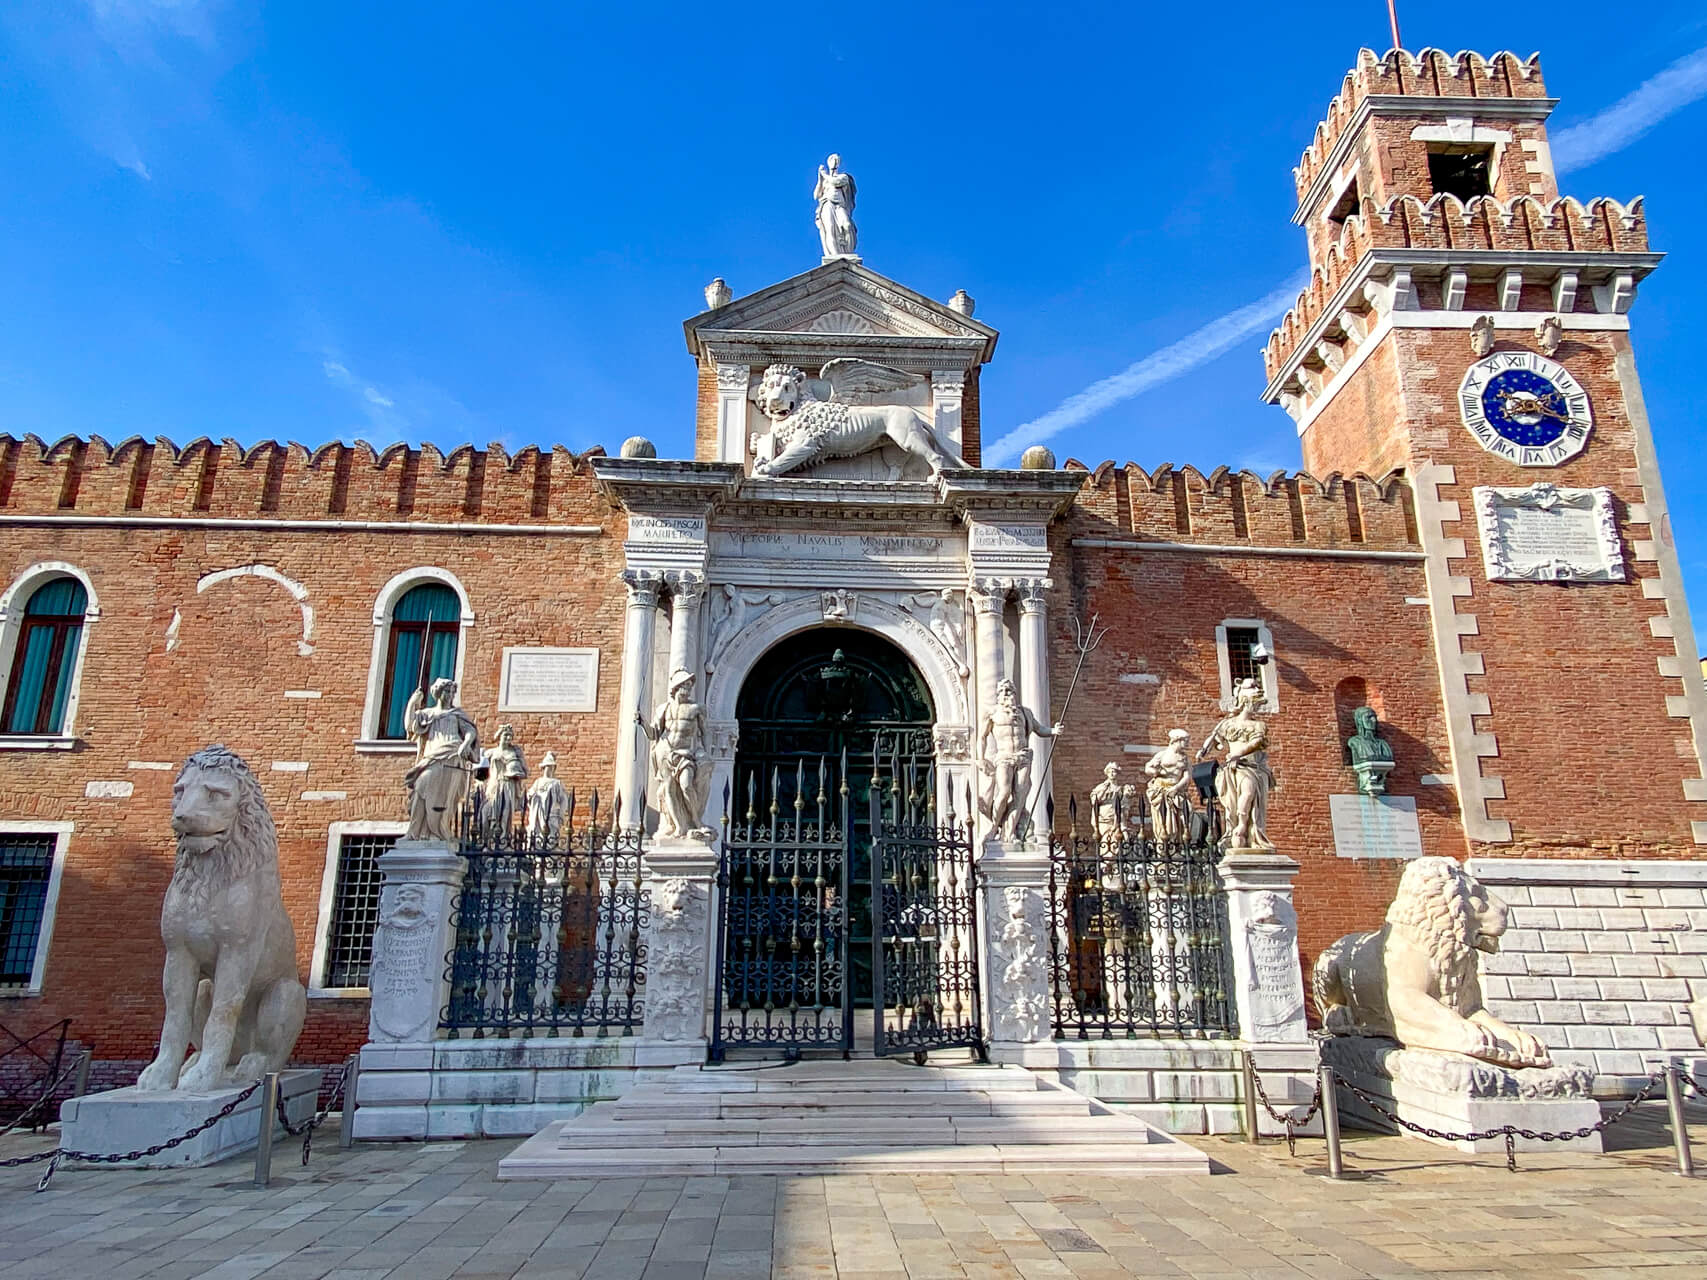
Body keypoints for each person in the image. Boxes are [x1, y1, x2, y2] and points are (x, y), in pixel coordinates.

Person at [979, 678, 1062, 842]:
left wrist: (1053, 730)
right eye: (1002, 691)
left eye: (1009, 690)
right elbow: (982, 737)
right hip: (1004, 757)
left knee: (1020, 796)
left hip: (1023, 756)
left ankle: (1009, 834)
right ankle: (994, 827)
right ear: (998, 695)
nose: (1006, 694)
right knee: (1003, 793)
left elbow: (1039, 729)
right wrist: (981, 759)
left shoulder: (1025, 713)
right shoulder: (993, 713)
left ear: (1014, 693)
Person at [1196, 678, 1275, 850]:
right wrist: (1203, 750)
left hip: (1252, 767)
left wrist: (1239, 753)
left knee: (1248, 792)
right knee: (1236, 800)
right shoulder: (1227, 724)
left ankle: (1244, 827)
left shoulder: (1258, 725)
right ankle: (1237, 828)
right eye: (1252, 687)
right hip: (1234, 769)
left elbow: (1257, 742)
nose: (1257, 689)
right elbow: (1214, 739)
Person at [402, 678, 479, 842]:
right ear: (438, 693)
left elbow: (470, 732)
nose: (450, 695)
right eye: (446, 691)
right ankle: (415, 832)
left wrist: (465, 745)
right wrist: (412, 702)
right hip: (432, 756)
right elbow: (410, 725)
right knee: (420, 787)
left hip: (452, 755)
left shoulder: (457, 714)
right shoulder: (427, 714)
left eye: (452, 692)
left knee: (445, 795)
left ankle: (437, 833)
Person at [639, 669, 711, 838]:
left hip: (686, 753)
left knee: (686, 785)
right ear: (675, 688)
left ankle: (696, 821)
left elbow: (705, 733)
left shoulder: (697, 709)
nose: (687, 688)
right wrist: (642, 722)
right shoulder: (664, 709)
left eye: (689, 685)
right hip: (665, 752)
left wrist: (706, 754)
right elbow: (654, 734)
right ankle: (679, 826)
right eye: (684, 685)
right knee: (668, 789)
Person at [1144, 729, 1195, 844]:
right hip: (1161, 790)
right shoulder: (1162, 755)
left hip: (1176, 791)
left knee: (1183, 819)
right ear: (1177, 740)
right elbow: (1148, 768)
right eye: (1185, 741)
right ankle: (1163, 846)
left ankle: (1176, 846)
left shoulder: (1185, 759)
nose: (1187, 744)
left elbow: (1187, 777)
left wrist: (1175, 788)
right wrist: (1155, 772)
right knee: (1163, 820)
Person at [480, 723, 528, 841]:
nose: (508, 738)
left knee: (507, 810)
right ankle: (490, 838)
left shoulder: (515, 752)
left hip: (509, 784)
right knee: (492, 809)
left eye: (510, 736)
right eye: (506, 735)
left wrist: (517, 770)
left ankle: (503, 838)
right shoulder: (491, 752)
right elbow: (479, 771)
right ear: (500, 736)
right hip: (495, 784)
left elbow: (525, 772)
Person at [814, 154, 858, 259]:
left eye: (836, 160)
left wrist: (824, 174)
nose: (834, 162)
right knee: (830, 229)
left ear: (839, 163)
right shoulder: (825, 180)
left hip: (840, 205)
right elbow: (816, 195)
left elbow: (835, 182)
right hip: (827, 204)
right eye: (832, 160)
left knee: (847, 225)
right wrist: (820, 178)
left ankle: (847, 252)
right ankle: (834, 255)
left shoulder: (843, 177)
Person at [1088, 762, 1137, 849]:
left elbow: (1124, 804)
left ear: (1117, 773)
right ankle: (1107, 860)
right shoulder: (1101, 787)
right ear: (1107, 773)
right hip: (1104, 817)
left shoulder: (1120, 789)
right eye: (1110, 771)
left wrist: (1128, 796)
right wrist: (1103, 790)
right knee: (1106, 841)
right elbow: (1094, 801)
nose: (1112, 773)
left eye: (1114, 771)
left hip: (1116, 817)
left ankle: (1115, 860)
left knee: (1117, 840)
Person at [526, 751, 570, 844]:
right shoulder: (538, 781)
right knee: (537, 836)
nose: (550, 769)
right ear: (543, 768)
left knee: (550, 838)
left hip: (552, 815)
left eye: (552, 767)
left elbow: (564, 800)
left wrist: (560, 815)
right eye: (548, 767)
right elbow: (530, 795)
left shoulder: (557, 783)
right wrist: (531, 797)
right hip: (538, 814)